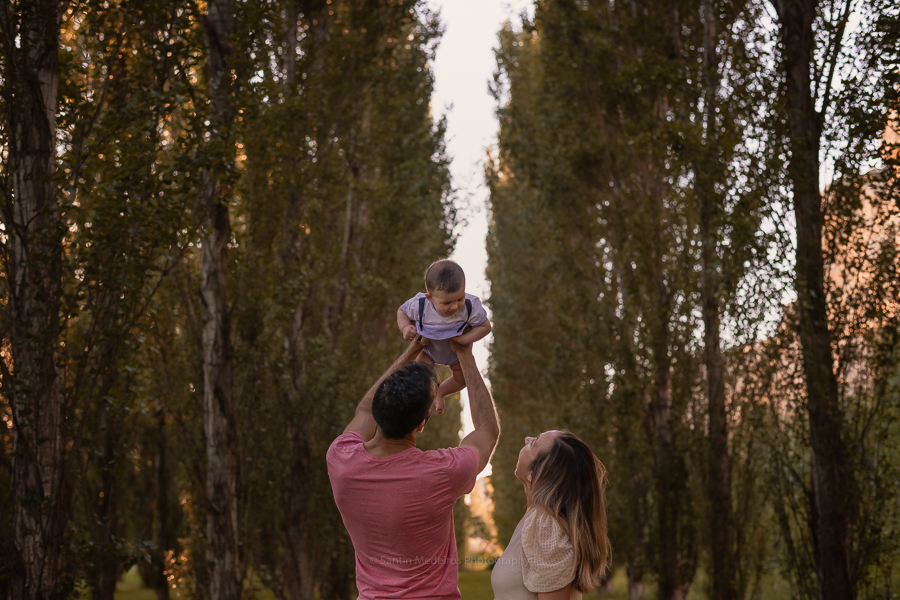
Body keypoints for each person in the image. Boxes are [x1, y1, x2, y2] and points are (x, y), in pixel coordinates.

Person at [327, 335, 500, 600]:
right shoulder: (442, 472)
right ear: (421, 424)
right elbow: (487, 431)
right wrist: (465, 355)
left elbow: (364, 411)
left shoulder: (341, 459)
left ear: (377, 407)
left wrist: (414, 348)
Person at [492, 430, 610, 600]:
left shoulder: (546, 526)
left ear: (535, 473)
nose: (526, 439)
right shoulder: (535, 519)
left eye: (533, 443)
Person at [397, 259, 492, 414]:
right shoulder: (420, 305)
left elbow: (485, 327)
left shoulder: (470, 306)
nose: (454, 306)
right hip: (428, 350)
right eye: (446, 303)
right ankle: (417, 408)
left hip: (455, 354)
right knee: (417, 376)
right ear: (430, 298)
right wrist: (405, 328)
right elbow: (401, 311)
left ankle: (440, 392)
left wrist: (464, 340)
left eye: (460, 299)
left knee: (462, 380)